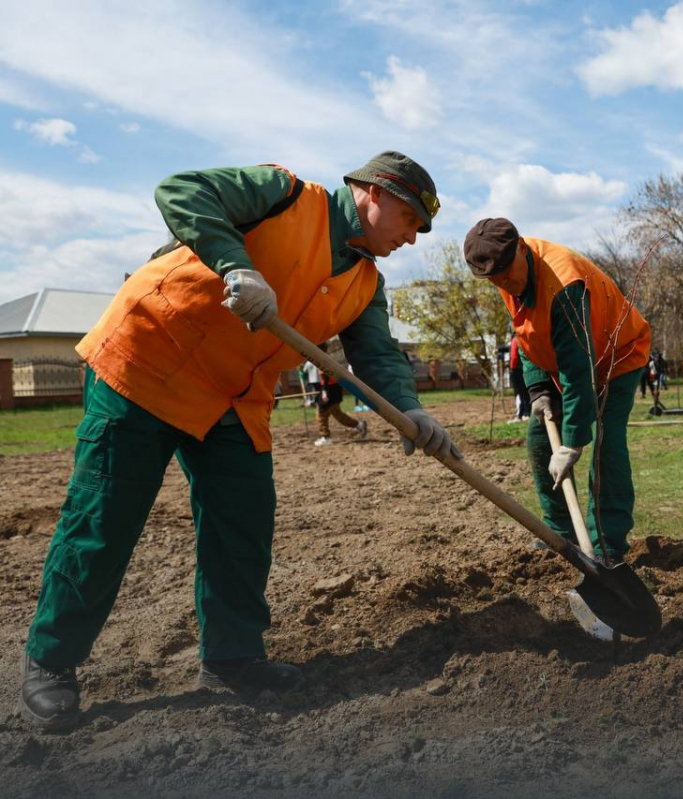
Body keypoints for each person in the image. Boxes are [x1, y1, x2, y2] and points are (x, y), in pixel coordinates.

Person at [17, 152, 458, 730]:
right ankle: (51, 661)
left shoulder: (364, 282)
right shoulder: (283, 195)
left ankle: (232, 657)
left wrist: (410, 408)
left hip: (234, 397)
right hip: (148, 364)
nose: (412, 238)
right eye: (410, 221)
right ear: (374, 194)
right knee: (103, 520)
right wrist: (236, 265)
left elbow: (375, 353)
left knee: (242, 524)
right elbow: (179, 191)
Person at [463, 218, 651, 562]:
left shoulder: (563, 283)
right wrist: (538, 388)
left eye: (507, 273)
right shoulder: (507, 275)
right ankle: (562, 534)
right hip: (567, 365)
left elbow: (578, 371)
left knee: (605, 446)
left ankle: (607, 545)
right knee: (538, 439)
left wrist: (573, 442)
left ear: (521, 247)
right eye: (496, 280)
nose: (506, 283)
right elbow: (528, 331)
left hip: (618, 355)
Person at [313, 344, 368, 446]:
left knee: (321, 414)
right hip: (335, 388)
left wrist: (325, 392)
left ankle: (325, 437)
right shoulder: (326, 357)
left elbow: (325, 376)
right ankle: (359, 425)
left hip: (329, 389)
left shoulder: (321, 358)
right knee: (337, 414)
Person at [509, 336, 531, 421]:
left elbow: (514, 356)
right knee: (525, 392)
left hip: (517, 370)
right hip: (525, 368)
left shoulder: (515, 339)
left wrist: (512, 368)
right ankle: (527, 412)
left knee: (519, 393)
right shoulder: (524, 339)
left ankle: (521, 414)